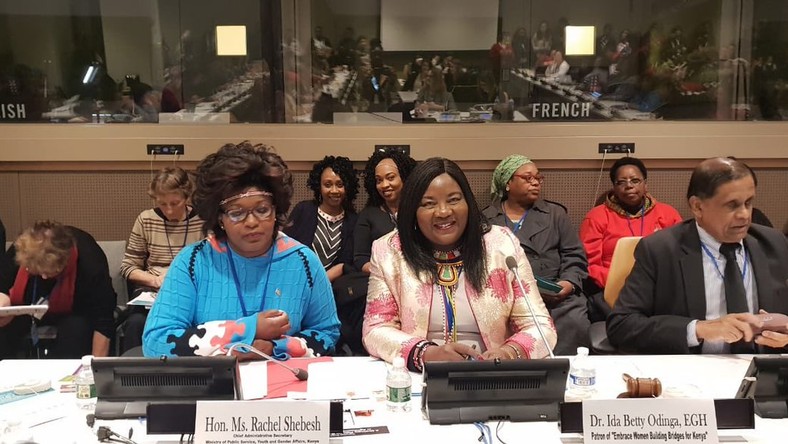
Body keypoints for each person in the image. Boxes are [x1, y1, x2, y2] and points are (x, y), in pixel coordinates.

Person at [142, 142, 340, 359]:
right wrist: (247, 329)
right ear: (220, 218)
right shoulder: (193, 262)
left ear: (276, 211)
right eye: (237, 213)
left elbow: (327, 334)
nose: (252, 222)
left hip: (286, 386)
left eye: (262, 210)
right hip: (213, 387)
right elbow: (156, 342)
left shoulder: (303, 262)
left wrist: (276, 348)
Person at [363, 158, 556, 370]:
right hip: (418, 376)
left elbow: (540, 326)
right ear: (412, 211)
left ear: (468, 203)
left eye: (454, 200)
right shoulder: (389, 251)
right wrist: (426, 353)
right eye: (428, 204)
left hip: (491, 376)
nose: (443, 211)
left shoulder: (502, 245)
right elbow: (375, 329)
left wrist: (510, 353)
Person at [607, 157, 788, 354]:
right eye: (732, 205)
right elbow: (622, 325)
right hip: (693, 373)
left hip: (765, 371)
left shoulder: (773, 244)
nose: (744, 215)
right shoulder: (660, 250)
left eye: (748, 203)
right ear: (697, 207)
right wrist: (698, 329)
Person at [483, 155, 589, 355]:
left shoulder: (555, 214)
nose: (535, 183)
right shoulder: (487, 219)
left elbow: (574, 255)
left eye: (538, 178)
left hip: (556, 294)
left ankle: (566, 373)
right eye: (527, 178)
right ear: (507, 183)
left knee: (574, 320)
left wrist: (568, 283)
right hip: (508, 295)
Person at [580, 157, 682, 321]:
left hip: (659, 288)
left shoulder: (668, 214)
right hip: (611, 290)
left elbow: (679, 256)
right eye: (621, 182)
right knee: (630, 320)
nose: (629, 186)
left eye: (635, 180)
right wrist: (621, 285)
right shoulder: (597, 216)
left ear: (645, 184)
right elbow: (589, 264)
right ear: (614, 187)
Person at [0, 221, 116, 358]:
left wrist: (97, 371)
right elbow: (3, 286)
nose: (43, 277)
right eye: (35, 272)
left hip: (75, 313)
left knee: (75, 329)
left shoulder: (90, 261)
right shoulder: (20, 250)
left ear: (62, 265)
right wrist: (3, 305)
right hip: (27, 310)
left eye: (47, 273)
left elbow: (103, 321)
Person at [119, 167, 204, 353]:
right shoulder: (146, 220)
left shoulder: (201, 220)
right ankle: (135, 375)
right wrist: (155, 280)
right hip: (152, 290)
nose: (169, 210)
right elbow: (128, 267)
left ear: (187, 197)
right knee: (136, 323)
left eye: (175, 203)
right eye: (162, 203)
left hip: (191, 289)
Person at [284, 156, 359, 282]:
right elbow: (286, 249)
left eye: (340, 185)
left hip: (333, 293)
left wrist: (322, 281)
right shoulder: (304, 210)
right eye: (328, 185)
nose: (334, 190)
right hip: (298, 283)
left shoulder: (353, 221)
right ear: (319, 186)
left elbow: (348, 265)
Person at [353, 149, 417, 274]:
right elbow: (360, 259)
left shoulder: (419, 212)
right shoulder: (368, 215)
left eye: (390, 178)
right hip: (382, 280)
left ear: (405, 177)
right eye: (379, 180)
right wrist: (388, 273)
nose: (384, 185)